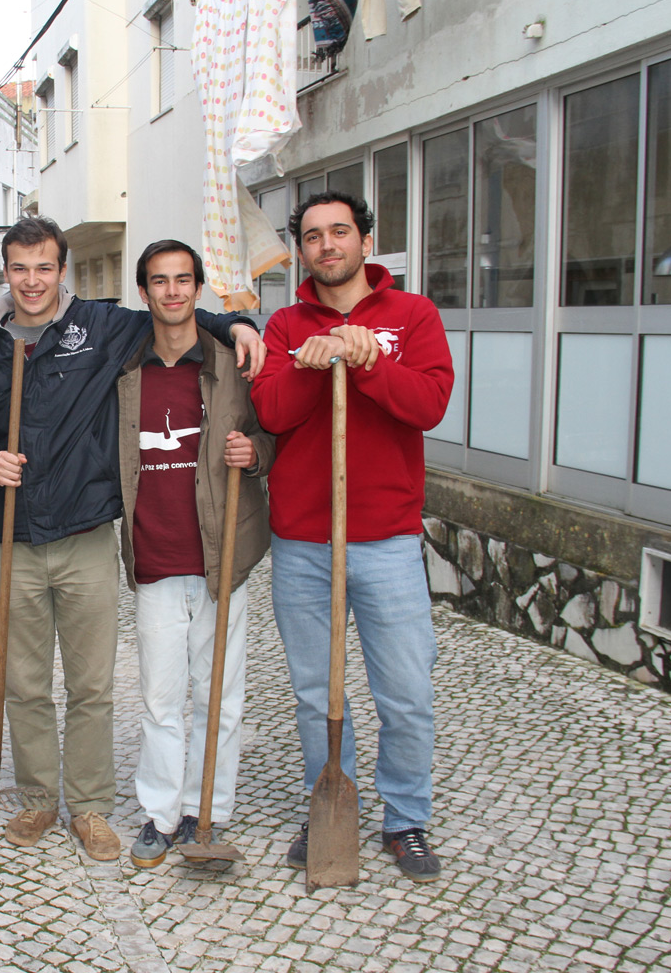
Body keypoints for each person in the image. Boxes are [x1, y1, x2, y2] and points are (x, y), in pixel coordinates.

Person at [0, 217, 266, 861]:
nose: (33, 281)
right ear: (5, 272)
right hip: (10, 536)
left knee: (92, 685)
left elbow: (176, 314)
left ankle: (89, 805)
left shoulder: (101, 326)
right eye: (20, 268)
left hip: (86, 531)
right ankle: (38, 798)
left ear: (63, 271)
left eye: (44, 267)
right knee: (24, 682)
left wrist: (236, 324)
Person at [249, 191, 454, 882]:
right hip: (304, 541)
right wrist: (311, 365)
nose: (327, 245)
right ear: (302, 251)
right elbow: (271, 412)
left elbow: (428, 405)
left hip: (386, 539)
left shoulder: (412, 315)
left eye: (340, 231)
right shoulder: (285, 325)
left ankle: (406, 818)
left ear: (366, 241)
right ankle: (328, 801)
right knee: (317, 693)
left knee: (406, 692)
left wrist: (367, 363)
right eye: (313, 236)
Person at [116, 240, 276, 868]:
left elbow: (275, 432)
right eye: (160, 281)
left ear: (199, 288)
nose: (173, 291)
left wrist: (256, 453)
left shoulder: (234, 363)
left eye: (184, 279)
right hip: (154, 556)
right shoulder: (125, 370)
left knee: (220, 697)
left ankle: (207, 809)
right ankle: (159, 814)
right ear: (144, 291)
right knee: (160, 699)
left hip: (222, 558)